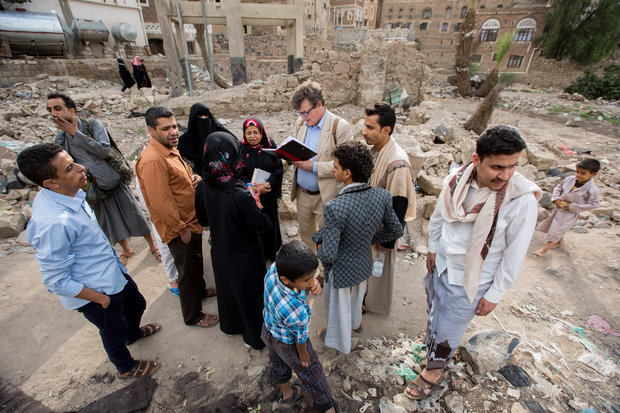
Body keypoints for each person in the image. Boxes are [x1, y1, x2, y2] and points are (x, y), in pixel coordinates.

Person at [404, 126, 541, 400]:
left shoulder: (521, 202)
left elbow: (514, 255)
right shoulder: (457, 179)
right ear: (477, 160)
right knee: (434, 309)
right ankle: (431, 341)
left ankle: (434, 370)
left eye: (513, 166)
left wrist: (494, 294)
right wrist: (432, 249)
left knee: (449, 328)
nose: (505, 175)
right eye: (497, 167)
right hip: (441, 266)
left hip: (472, 280)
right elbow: (442, 217)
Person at [18, 143, 160, 378]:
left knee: (136, 304)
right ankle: (125, 366)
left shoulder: (69, 193)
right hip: (96, 290)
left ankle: (132, 334)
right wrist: (101, 299)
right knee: (112, 330)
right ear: (51, 183)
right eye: (70, 167)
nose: (81, 167)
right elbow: (56, 281)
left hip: (112, 273)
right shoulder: (54, 223)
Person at [47, 92, 158, 267]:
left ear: (72, 111)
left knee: (132, 213)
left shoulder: (92, 126)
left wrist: (76, 134)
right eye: (50, 110)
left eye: (57, 108)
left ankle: (153, 245)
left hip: (111, 179)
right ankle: (126, 249)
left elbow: (103, 150)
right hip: (90, 186)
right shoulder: (61, 139)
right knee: (107, 219)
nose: (54, 114)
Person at [312, 143, 403, 354]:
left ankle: (340, 343)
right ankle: (357, 325)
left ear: (347, 172)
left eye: (335, 166)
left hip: (342, 269)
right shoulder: (381, 196)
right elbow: (395, 229)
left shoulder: (336, 206)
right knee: (356, 298)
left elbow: (329, 254)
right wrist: (369, 239)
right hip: (363, 263)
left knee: (338, 307)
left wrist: (319, 247)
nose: (332, 169)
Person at [136, 106, 218, 328]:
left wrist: (193, 178)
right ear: (151, 131)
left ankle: (199, 291)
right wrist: (181, 229)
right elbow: (161, 203)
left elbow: (177, 180)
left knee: (194, 264)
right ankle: (193, 315)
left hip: (191, 221)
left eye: (174, 126)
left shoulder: (169, 150)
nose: (173, 132)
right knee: (186, 271)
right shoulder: (153, 160)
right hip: (181, 227)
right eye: (166, 128)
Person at [195, 131, 272, 349]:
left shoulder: (202, 187)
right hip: (245, 254)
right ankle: (253, 337)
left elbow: (202, 219)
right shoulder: (240, 194)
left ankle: (231, 326)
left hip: (220, 249)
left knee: (228, 290)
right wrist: (255, 202)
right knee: (250, 296)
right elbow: (264, 226)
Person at [261, 240, 337, 413]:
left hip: (269, 329)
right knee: (312, 372)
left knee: (278, 363)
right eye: (307, 280)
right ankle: (327, 407)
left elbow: (297, 285)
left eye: (314, 276)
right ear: (286, 280)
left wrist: (308, 285)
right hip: (289, 342)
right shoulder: (297, 311)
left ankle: (287, 395)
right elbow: (300, 337)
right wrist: (303, 353)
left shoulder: (275, 270)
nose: (312, 282)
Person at [362, 103, 416, 316]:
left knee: (378, 273)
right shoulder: (376, 150)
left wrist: (387, 242)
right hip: (370, 226)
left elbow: (399, 204)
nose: (364, 132)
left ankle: (372, 304)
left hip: (382, 231)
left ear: (386, 130)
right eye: (364, 126)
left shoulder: (397, 162)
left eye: (369, 127)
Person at [290, 81, 353, 251]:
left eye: (306, 112)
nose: (303, 117)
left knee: (328, 241)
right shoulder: (301, 123)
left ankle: (325, 276)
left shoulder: (339, 127)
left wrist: (314, 167)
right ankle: (310, 275)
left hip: (326, 196)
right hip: (302, 194)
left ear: (319, 104)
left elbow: (347, 165)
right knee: (306, 239)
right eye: (300, 113)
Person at [535, 158, 600, 256]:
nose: (578, 175)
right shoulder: (570, 179)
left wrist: (571, 206)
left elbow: (593, 204)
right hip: (558, 208)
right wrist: (556, 198)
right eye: (577, 172)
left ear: (593, 174)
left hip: (569, 214)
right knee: (556, 228)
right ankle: (559, 241)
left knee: (556, 231)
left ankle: (543, 251)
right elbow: (558, 188)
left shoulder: (592, 189)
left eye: (583, 173)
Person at [240, 117, 283, 262]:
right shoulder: (240, 150)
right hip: (250, 197)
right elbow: (238, 174)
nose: (252, 136)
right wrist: (250, 187)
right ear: (244, 135)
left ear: (261, 132)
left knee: (270, 223)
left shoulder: (270, 145)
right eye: (249, 133)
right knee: (254, 225)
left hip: (268, 195)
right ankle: (258, 255)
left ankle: (271, 253)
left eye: (255, 132)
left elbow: (278, 168)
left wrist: (270, 183)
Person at [135, 178, 180, 296]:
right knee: (166, 247)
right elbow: (148, 202)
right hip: (161, 214)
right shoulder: (149, 164)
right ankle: (173, 280)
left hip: (174, 210)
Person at [178, 103, 235, 175]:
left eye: (206, 116)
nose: (203, 119)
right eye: (199, 116)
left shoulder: (220, 136)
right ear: (193, 119)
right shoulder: (184, 141)